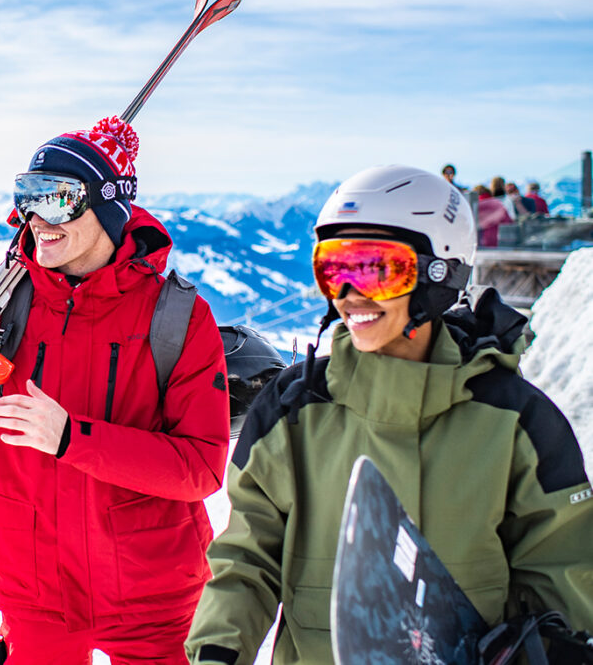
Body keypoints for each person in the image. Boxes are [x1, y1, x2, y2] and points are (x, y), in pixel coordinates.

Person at [185, 165, 593, 664]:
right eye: (333, 269)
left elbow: (560, 575)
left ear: (438, 274)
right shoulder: (295, 410)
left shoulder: (513, 420)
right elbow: (248, 556)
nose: (350, 294)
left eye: (378, 270)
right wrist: (217, 651)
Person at [0, 116, 231, 665]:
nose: (37, 216)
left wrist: (71, 438)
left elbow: (201, 469)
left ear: (108, 206)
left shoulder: (177, 316)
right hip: (32, 587)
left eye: (57, 198)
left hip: (150, 591)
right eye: (27, 196)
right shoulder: (3, 308)